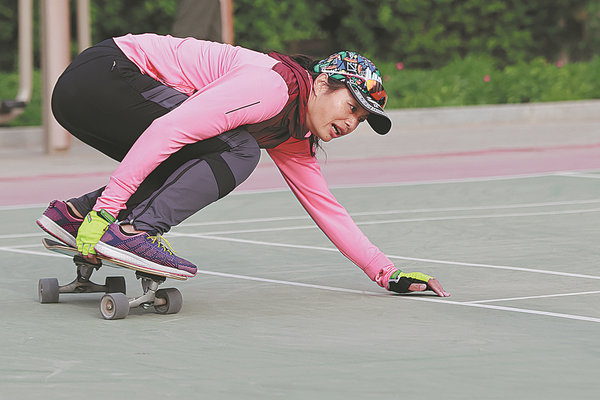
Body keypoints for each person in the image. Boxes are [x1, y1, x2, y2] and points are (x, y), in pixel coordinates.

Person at [37, 33, 450, 296]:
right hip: (107, 75)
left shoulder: (293, 133)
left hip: (85, 91)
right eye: (350, 106)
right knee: (237, 150)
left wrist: (387, 273)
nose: (350, 122)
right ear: (323, 84)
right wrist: (110, 212)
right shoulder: (271, 87)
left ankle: (73, 217)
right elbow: (169, 131)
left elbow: (326, 207)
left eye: (361, 120)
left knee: (201, 156)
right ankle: (133, 231)